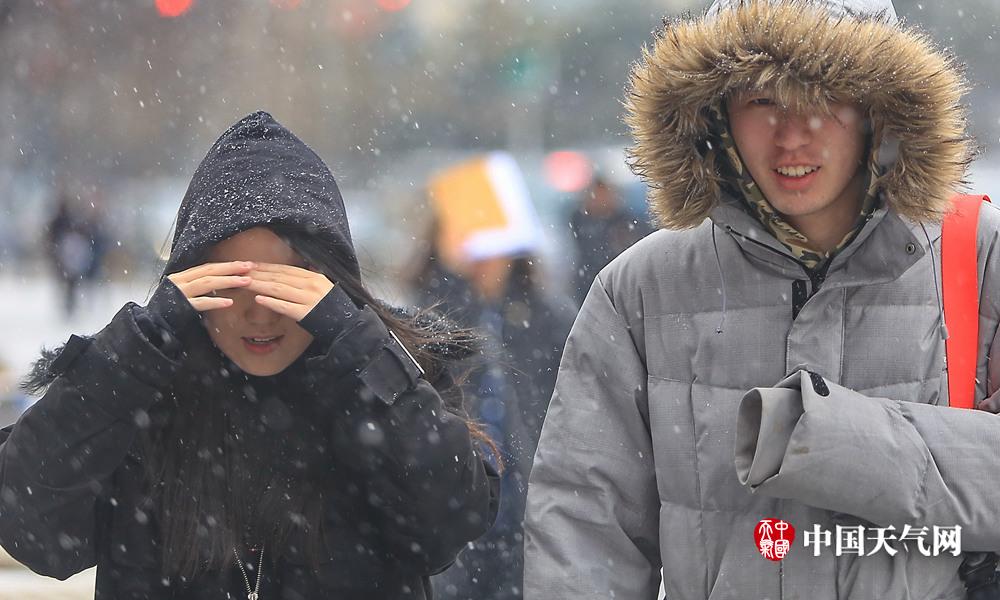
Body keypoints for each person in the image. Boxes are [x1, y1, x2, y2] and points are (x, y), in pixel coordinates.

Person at [525, 1, 1000, 599]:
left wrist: (826, 440)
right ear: (716, 115)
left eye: (825, 97)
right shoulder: (642, 289)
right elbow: (584, 533)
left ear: (880, 108)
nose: (792, 135)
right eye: (762, 100)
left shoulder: (978, 256)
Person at [0, 111, 498, 599]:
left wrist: (357, 350)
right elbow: (32, 529)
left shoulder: (390, 378)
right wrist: (132, 352)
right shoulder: (143, 397)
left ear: (330, 288)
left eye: (286, 286)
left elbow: (448, 524)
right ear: (191, 288)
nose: (260, 315)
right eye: (231, 284)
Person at [413, 159, 575, 599]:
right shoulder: (423, 320)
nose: (485, 262)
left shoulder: (550, 318)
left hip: (530, 506)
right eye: (473, 250)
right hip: (454, 510)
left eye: (495, 248)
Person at [567, 176, 652, 304]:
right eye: (597, 195)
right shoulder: (581, 222)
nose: (601, 200)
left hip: (620, 281)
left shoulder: (625, 220)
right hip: (591, 280)